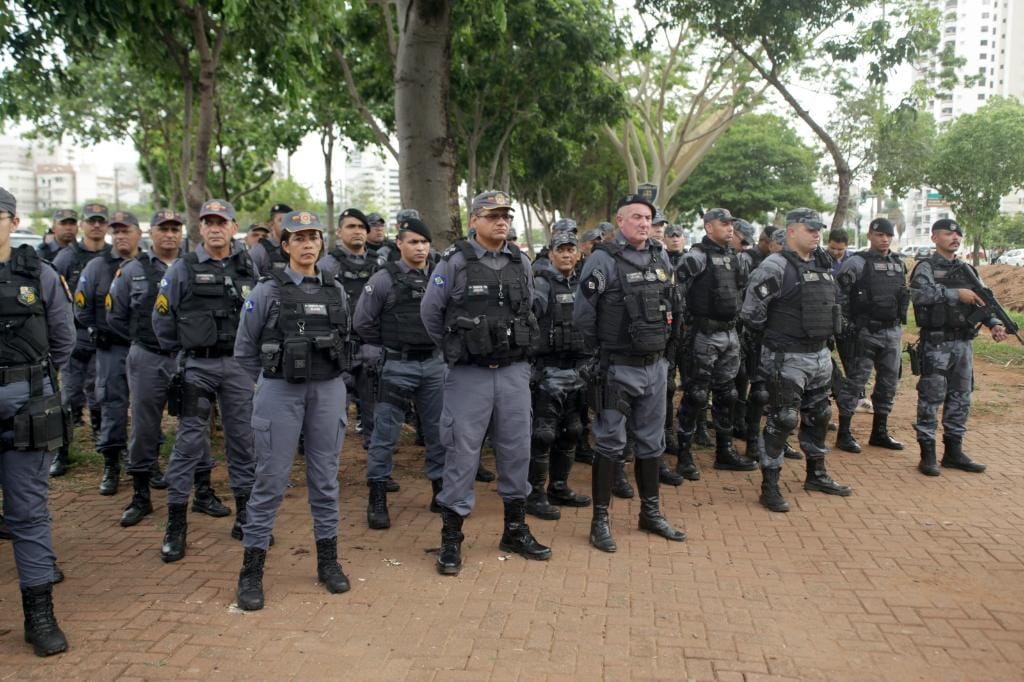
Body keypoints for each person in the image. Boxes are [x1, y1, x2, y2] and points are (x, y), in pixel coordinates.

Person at [420, 190, 551, 575]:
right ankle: (452, 538)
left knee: (517, 450)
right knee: (461, 453)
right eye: (492, 215)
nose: (501, 222)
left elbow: (529, 308)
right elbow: (431, 313)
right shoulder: (455, 261)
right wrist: (457, 348)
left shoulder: (520, 261)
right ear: (473, 220)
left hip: (512, 372)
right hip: (469, 375)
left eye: (505, 216)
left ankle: (515, 529)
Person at [232, 209, 351, 610]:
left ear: (321, 243)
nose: (307, 244)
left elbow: (346, 337)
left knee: (326, 479)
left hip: (328, 390)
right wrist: (272, 380)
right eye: (299, 238)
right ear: (285, 246)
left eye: (313, 237)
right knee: (270, 480)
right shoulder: (267, 291)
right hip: (280, 391)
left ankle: (328, 562)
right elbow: (245, 350)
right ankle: (251, 572)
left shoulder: (336, 290)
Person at [574, 193, 686, 552]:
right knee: (610, 443)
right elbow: (583, 315)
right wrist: (601, 354)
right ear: (620, 221)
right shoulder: (603, 259)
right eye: (636, 217)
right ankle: (600, 521)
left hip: (654, 366)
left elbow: (671, 303)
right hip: (617, 368)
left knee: (652, 442)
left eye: (648, 218)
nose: (644, 223)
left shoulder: (659, 255)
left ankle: (649, 513)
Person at [153, 199, 258, 562]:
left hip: (238, 368)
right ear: (200, 228)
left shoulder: (249, 265)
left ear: (233, 227)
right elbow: (162, 319)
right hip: (198, 366)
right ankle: (176, 524)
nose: (215, 228)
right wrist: (184, 353)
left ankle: (245, 515)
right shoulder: (183, 268)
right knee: (188, 443)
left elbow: (261, 313)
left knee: (243, 441)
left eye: (221, 222)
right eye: (208, 222)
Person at [107, 209, 224, 527]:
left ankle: (203, 491)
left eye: (175, 229)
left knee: (195, 423)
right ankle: (140, 495)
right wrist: (144, 340)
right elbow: (115, 316)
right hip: (148, 356)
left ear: (182, 233)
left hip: (188, 358)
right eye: (163, 229)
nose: (170, 234)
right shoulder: (133, 270)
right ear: (151, 233)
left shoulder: (194, 266)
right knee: (144, 425)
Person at [0, 186, 74, 656]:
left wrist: (29, 383)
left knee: (28, 513)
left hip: (25, 405)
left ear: (13, 221)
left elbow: (64, 340)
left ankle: (40, 616)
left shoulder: (40, 274)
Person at [740, 208, 852, 513]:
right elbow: (752, 314)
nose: (817, 234)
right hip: (786, 357)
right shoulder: (774, 266)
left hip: (819, 354)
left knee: (820, 415)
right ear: (791, 231)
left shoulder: (821, 263)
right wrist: (778, 339)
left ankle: (816, 474)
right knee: (783, 419)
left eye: (818, 230)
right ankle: (770, 486)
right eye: (810, 229)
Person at [353, 217, 446, 529]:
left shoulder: (438, 276)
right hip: (397, 366)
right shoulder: (384, 279)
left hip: (433, 365)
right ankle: (377, 496)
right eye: (413, 242)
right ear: (400, 244)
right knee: (385, 434)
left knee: (438, 432)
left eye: (424, 242)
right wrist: (390, 346)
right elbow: (363, 322)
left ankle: (440, 490)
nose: (420, 248)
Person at [910, 218, 1007, 476]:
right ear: (934, 238)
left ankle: (953, 452)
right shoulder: (926, 267)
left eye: (957, 235)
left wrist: (994, 323)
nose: (955, 238)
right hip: (936, 343)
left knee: (961, 397)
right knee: (931, 396)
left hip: (963, 343)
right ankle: (927, 454)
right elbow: (918, 295)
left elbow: (983, 300)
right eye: (948, 234)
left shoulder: (967, 270)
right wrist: (955, 294)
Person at [674, 208, 757, 479]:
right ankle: (684, 455)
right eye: (724, 224)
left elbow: (741, 292)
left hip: (730, 335)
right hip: (703, 335)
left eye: (732, 224)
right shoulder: (695, 258)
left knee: (727, 394)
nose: (730, 228)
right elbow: (676, 295)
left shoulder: (736, 258)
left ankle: (725, 451)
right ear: (709, 227)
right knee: (696, 395)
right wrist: (683, 330)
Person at [73, 211, 142, 495]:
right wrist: (100, 331)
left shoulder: (148, 265)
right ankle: (111, 464)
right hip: (112, 349)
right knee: (112, 406)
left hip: (145, 349)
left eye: (127, 230)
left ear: (139, 233)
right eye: (117, 231)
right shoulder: (97, 267)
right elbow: (82, 308)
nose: (121, 236)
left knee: (146, 408)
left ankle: (146, 463)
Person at [525, 231, 592, 520]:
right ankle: (534, 494)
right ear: (550, 254)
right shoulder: (541, 283)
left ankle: (559, 487)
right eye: (560, 250)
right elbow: (529, 316)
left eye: (570, 250)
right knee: (543, 435)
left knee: (573, 431)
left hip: (578, 370)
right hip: (547, 371)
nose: (566, 254)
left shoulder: (585, 283)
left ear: (578, 253)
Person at [834, 218, 907, 453]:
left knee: (888, 383)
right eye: (879, 235)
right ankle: (844, 433)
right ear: (870, 236)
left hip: (892, 332)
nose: (884, 239)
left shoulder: (898, 264)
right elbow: (838, 297)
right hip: (864, 332)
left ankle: (879, 433)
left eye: (888, 235)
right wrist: (847, 327)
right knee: (855, 383)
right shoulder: (856, 263)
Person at [50, 203, 111, 473]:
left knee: (101, 394)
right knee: (68, 396)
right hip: (74, 337)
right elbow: (53, 297)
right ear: (82, 225)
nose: (96, 225)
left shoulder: (113, 257)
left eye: (101, 221)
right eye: (91, 221)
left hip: (105, 337)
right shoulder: (66, 257)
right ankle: (61, 452)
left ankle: (102, 439)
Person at [318, 208, 383, 453]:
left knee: (374, 406)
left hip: (371, 345)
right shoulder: (327, 265)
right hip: (337, 346)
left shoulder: (380, 264)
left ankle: (377, 462)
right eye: (351, 226)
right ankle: (327, 458)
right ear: (339, 231)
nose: (357, 231)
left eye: (361, 227)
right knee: (333, 410)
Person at [247, 203, 292, 273]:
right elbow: (248, 277)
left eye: (289, 221)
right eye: (281, 220)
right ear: (271, 224)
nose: (285, 224)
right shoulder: (259, 250)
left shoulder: (299, 247)